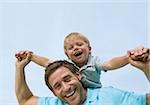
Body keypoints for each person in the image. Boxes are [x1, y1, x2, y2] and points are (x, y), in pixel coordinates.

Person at [15, 48, 150, 105]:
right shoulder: (56, 103)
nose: (66, 87)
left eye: (67, 79)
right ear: (54, 93)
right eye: (57, 86)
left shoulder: (109, 95)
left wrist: (147, 68)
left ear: (78, 75)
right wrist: (19, 67)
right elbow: (25, 100)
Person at [15, 32, 149, 88]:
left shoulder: (93, 61)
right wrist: (31, 57)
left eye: (79, 45)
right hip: (77, 93)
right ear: (67, 55)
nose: (75, 48)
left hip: (95, 92)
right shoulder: (68, 65)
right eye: (71, 48)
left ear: (89, 48)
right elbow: (47, 63)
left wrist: (128, 57)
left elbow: (110, 64)